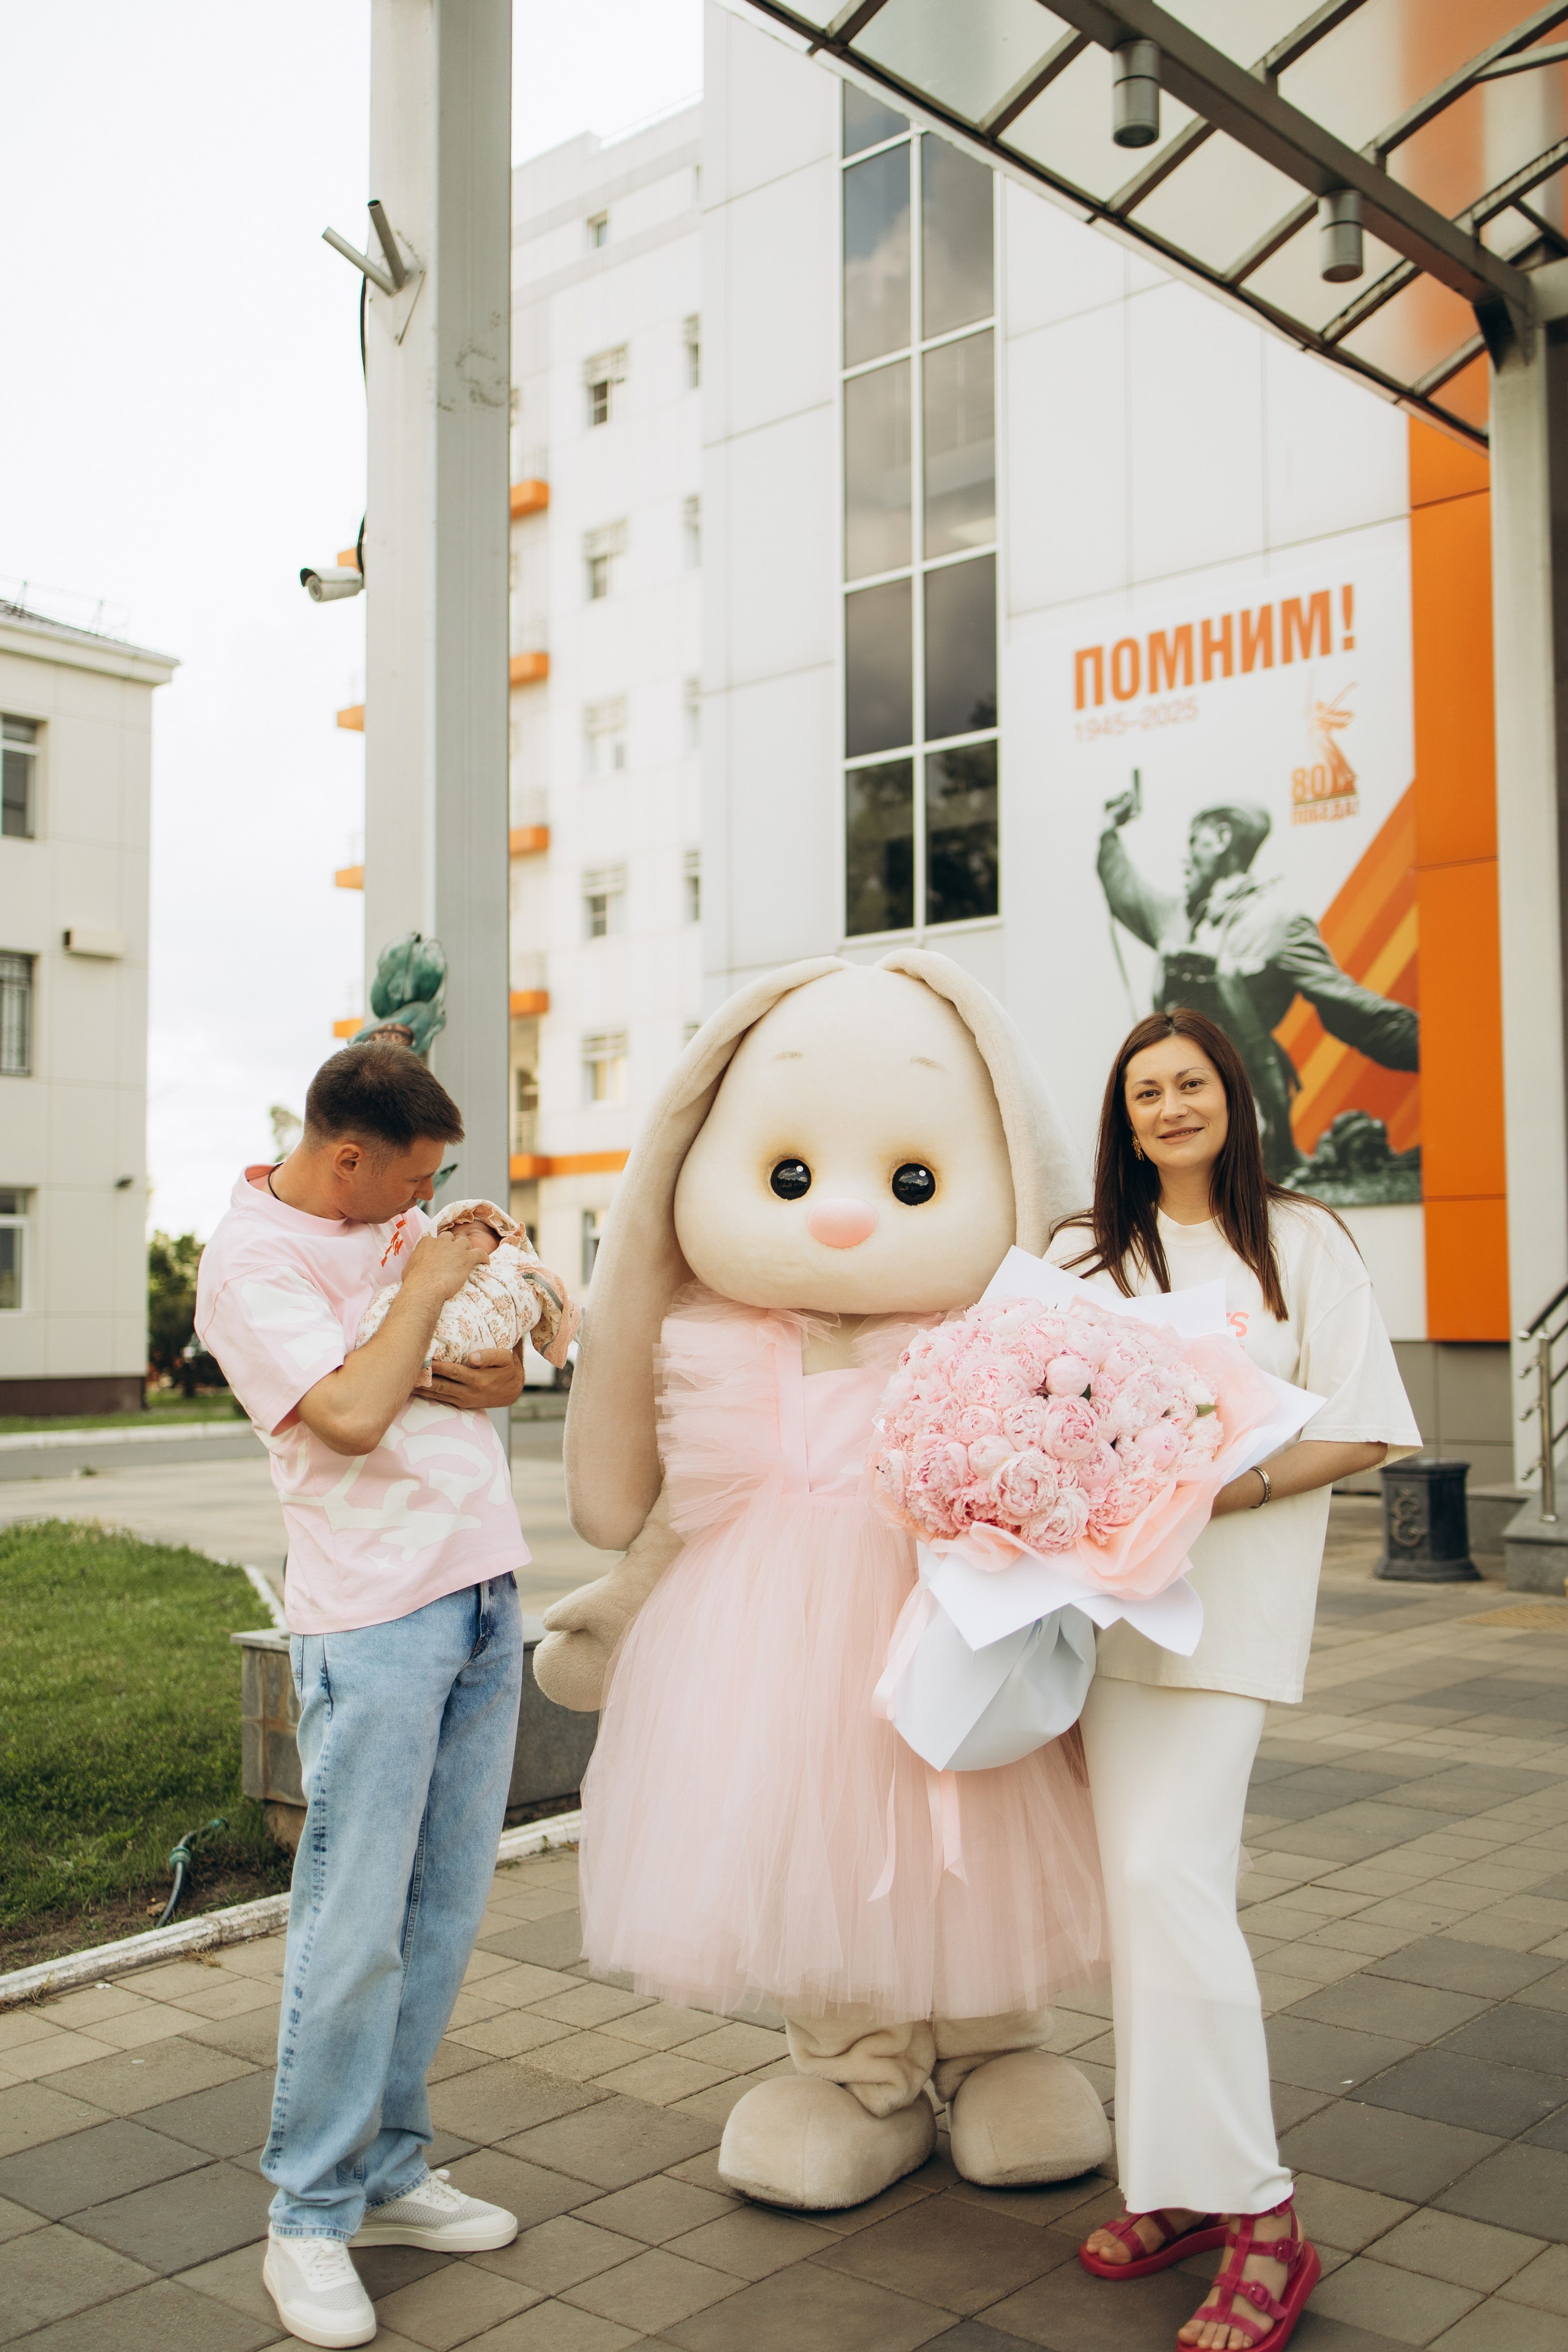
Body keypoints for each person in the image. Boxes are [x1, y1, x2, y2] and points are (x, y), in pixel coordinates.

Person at [1047, 1007, 1420, 2352]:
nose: (1166, 1106)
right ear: (1122, 1115)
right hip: (1101, 1629)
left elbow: (1372, 1422)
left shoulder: (1300, 1239)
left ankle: (1262, 2213)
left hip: (1225, 1617)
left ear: (1230, 1095)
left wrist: (1234, 1483)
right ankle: (1173, 2184)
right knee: (1139, 1906)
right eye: (1142, 1089)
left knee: (1170, 1886)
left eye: (1187, 1083)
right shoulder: (1080, 1256)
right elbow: (1043, 1418)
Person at [195, 1044, 556, 2351]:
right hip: (374, 1619)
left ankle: (391, 2172)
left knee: (444, 1913)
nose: (423, 1204)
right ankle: (307, 2215)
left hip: (479, 1593)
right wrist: (427, 1295)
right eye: (406, 1179)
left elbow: (502, 1377)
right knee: (353, 1927)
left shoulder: (393, 1225)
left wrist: (460, 1322)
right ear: (344, 1158)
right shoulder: (250, 1264)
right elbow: (346, 1413)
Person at [1097, 793, 1419, 1182]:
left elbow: (1356, 1014)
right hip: (1176, 1120)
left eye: (1192, 844)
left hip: (1249, 1117)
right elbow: (1126, 893)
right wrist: (1110, 830)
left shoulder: (1278, 922)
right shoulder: (1180, 918)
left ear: (1221, 838)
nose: (1185, 859)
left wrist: (1448, 1056)